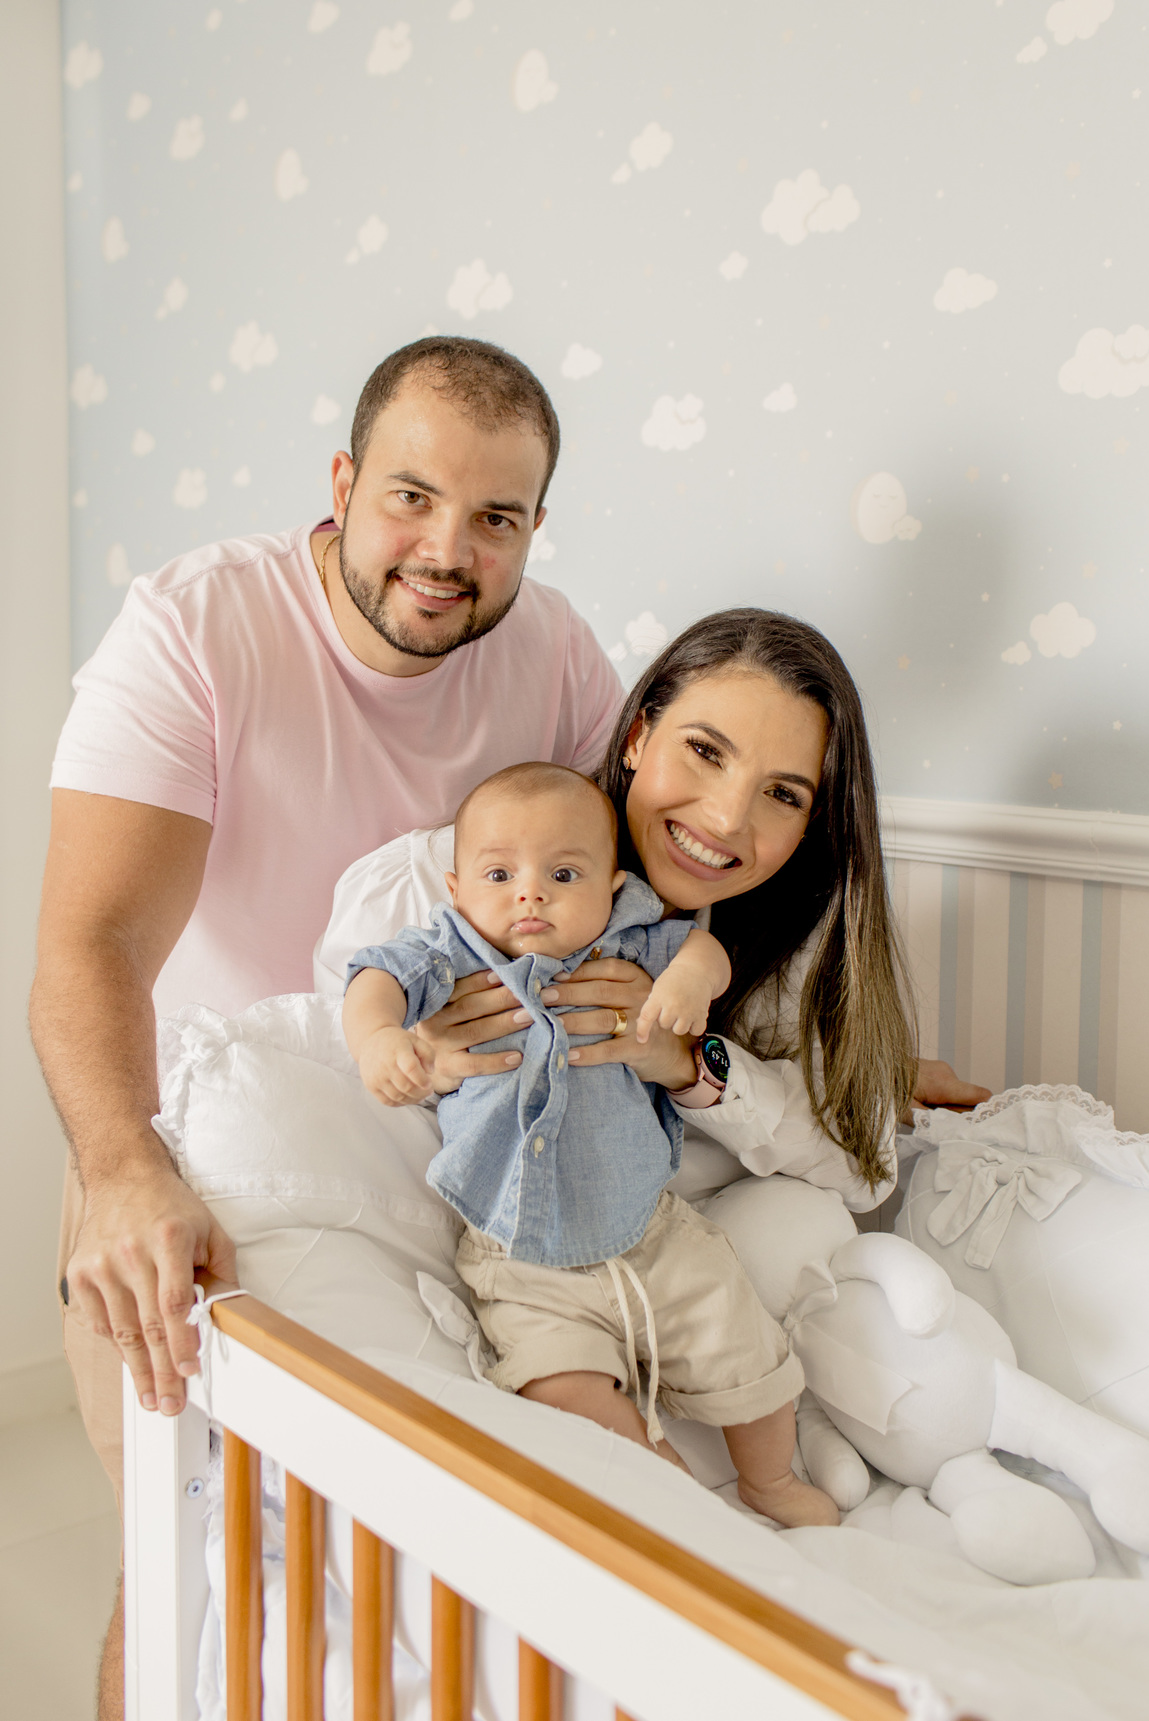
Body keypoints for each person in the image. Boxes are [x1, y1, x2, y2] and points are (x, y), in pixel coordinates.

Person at [31, 335, 625, 1717]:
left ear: (536, 526)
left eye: (496, 518)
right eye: (413, 497)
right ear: (345, 484)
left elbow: (642, 900)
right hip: (197, 1150)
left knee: (404, 1609)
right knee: (191, 1571)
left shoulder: (554, 654)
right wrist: (121, 1167)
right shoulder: (196, 629)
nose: (448, 551)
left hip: (446, 1156)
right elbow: (89, 942)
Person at [319, 607, 989, 1479]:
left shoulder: (782, 946)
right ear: (637, 735)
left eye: (783, 794)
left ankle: (780, 1461)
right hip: (507, 1291)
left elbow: (860, 1165)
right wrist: (419, 1048)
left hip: (676, 1287)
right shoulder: (438, 890)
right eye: (705, 751)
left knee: (800, 1224)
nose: (726, 817)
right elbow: (337, 1077)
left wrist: (689, 1065)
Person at [342, 762, 836, 1528]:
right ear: (457, 888)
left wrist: (689, 982)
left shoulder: (630, 941)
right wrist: (378, 1038)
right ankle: (664, 1487)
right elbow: (374, 976)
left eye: (563, 874)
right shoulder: (453, 951)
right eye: (500, 874)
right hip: (518, 1252)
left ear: (612, 887)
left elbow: (704, 951)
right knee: (558, 1386)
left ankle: (769, 1479)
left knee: (745, 1345)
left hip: (650, 1229)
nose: (530, 894)